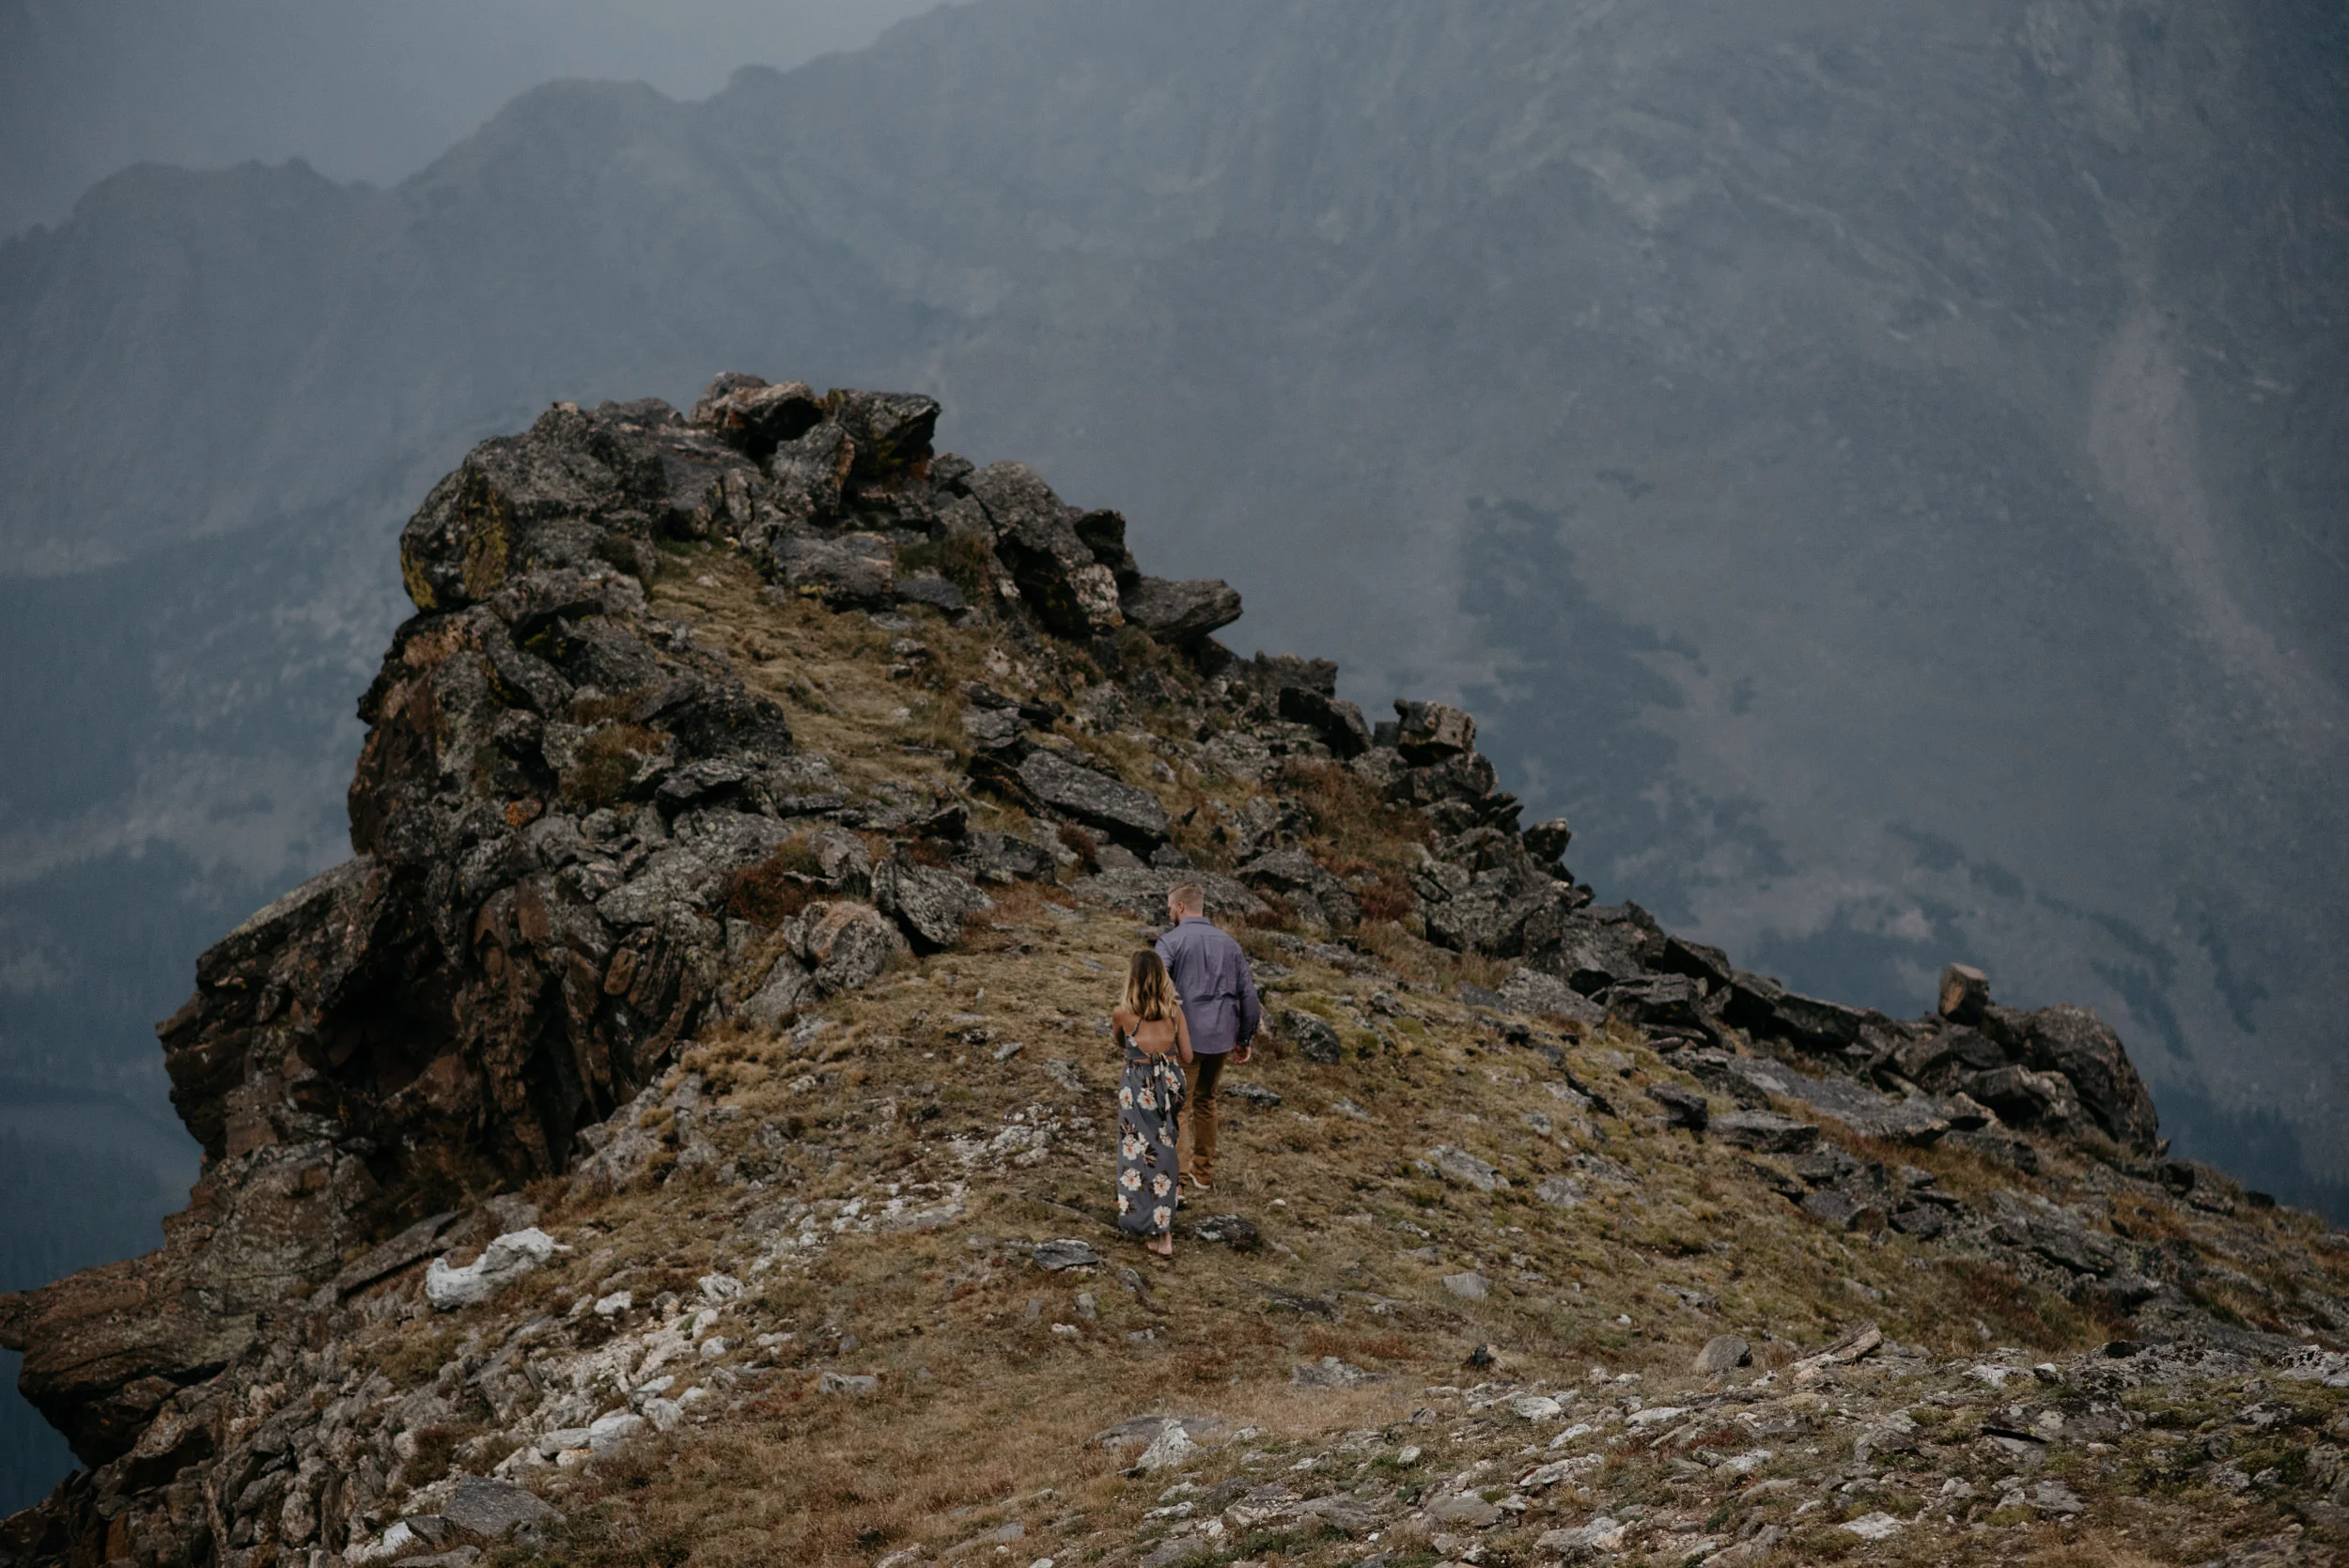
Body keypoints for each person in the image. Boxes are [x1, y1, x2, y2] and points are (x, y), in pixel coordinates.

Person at [1155, 880, 1262, 1192]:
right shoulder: (1230, 944)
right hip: (1222, 1039)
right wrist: (1244, 1039)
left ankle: (1179, 1179)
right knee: (1206, 1100)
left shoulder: (1169, 942)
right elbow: (1248, 996)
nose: (1169, 913)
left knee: (1180, 1107)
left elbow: (1157, 985)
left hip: (1185, 1038)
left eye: (1170, 908)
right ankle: (1204, 1173)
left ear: (1181, 907)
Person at [1112, 949, 1192, 1259]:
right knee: (1165, 1152)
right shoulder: (1175, 1012)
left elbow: (1121, 1044)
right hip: (1169, 1083)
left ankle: (1142, 1221)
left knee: (1135, 1153)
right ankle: (1165, 1234)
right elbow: (1188, 1055)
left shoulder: (1123, 1014)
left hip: (1137, 1086)